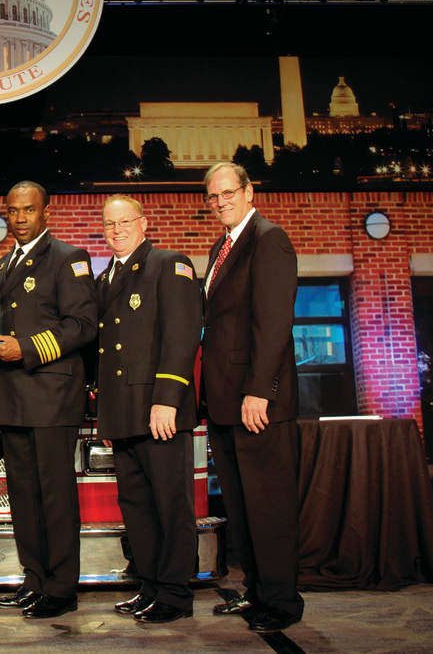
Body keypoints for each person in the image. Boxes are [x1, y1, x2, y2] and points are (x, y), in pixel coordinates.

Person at [0, 181, 98, 619]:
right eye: (12, 211)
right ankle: (33, 579)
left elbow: (83, 325)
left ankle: (61, 587)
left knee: (54, 496)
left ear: (46, 212)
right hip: (11, 396)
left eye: (28, 210)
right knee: (24, 496)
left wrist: (26, 349)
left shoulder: (69, 258)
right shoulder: (1, 265)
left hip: (50, 395)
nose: (19, 218)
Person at [200, 163, 304, 634]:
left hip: (255, 401)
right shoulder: (222, 246)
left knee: (268, 506)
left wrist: (260, 390)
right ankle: (257, 592)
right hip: (223, 401)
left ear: (248, 191)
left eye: (227, 193)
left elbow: (275, 322)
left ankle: (281, 603)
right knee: (241, 507)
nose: (220, 201)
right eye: (212, 196)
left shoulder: (269, 238)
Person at [94, 195, 201, 624]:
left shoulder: (169, 264)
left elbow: (182, 336)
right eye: (109, 224)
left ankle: (176, 594)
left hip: (159, 411)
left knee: (170, 505)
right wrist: (105, 414)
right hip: (123, 413)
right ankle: (151, 586)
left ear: (143, 222)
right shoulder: (104, 281)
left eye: (125, 221)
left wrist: (167, 400)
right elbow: (106, 354)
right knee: (136, 506)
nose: (117, 229)